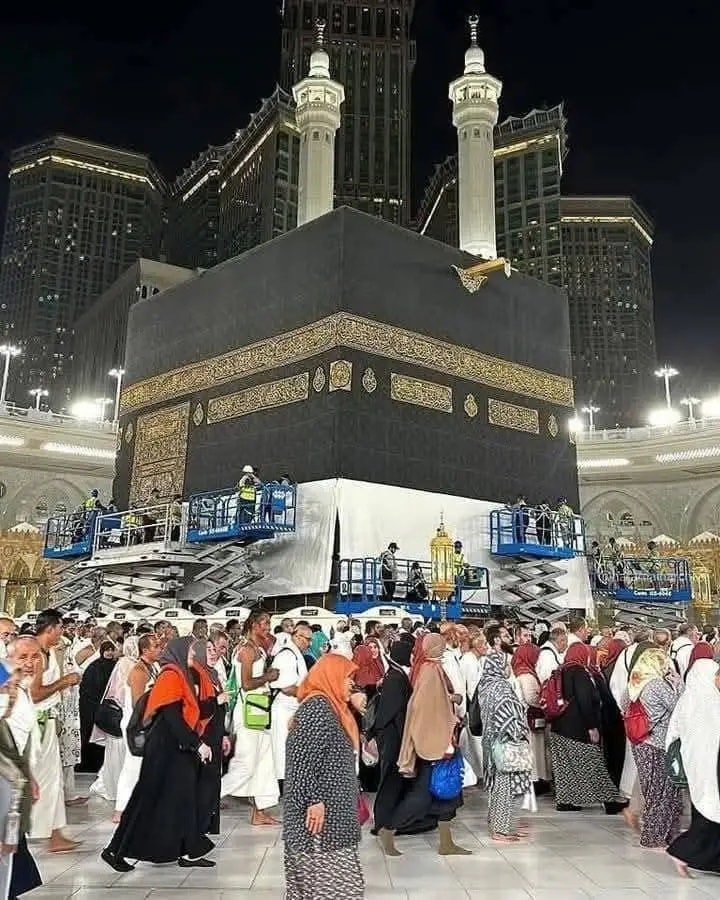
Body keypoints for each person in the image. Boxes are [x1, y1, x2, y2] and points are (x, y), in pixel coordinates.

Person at [101, 636, 216, 872]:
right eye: (190, 651)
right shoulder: (171, 676)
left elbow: (189, 712)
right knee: (147, 799)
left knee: (182, 799)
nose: (193, 655)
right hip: (165, 749)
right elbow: (172, 717)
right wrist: (197, 744)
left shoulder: (181, 675)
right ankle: (114, 850)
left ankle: (188, 850)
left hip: (176, 748)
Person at [377, 634, 467, 857]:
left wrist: (449, 701)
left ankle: (446, 843)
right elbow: (421, 706)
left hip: (440, 740)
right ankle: (389, 829)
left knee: (448, 793)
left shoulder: (431, 669)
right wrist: (449, 705)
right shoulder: (430, 671)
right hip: (434, 742)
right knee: (422, 795)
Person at [283, 654, 364, 900]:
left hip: (331, 820)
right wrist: (313, 800)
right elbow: (300, 760)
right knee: (329, 888)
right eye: (347, 677)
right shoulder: (317, 709)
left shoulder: (332, 707)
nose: (352, 683)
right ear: (331, 677)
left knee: (331, 889)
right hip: (319, 824)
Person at [549, 643, 625, 813]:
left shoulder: (561, 670)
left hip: (559, 726)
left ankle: (565, 801)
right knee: (594, 764)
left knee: (564, 767)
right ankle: (610, 801)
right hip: (577, 728)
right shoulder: (580, 672)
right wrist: (592, 727)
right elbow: (584, 701)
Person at [221, 611, 280, 826]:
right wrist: (268, 676)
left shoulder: (258, 648)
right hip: (248, 713)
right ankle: (207, 798)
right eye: (265, 623)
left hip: (258, 711)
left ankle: (260, 811)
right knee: (245, 764)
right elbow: (246, 684)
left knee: (264, 763)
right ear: (254, 625)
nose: (268, 627)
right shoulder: (247, 649)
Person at [666, 658, 720, 877]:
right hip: (709, 767)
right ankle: (681, 851)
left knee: (708, 812)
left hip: (698, 767)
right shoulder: (709, 701)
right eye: (716, 675)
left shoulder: (687, 699)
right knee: (710, 813)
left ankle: (710, 861)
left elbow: (673, 734)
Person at [626, 646, 683, 849]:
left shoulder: (635, 683)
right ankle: (653, 836)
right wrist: (678, 683)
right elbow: (678, 706)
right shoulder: (657, 685)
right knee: (663, 792)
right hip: (658, 743)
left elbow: (624, 705)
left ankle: (664, 833)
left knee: (652, 790)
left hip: (641, 742)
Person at [479, 650, 533, 843]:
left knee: (498, 785)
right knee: (507, 786)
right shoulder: (501, 687)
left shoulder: (485, 685)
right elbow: (508, 717)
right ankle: (501, 830)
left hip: (491, 744)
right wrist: (521, 732)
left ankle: (500, 825)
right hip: (507, 743)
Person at [372, 641, 413, 835]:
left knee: (392, 778)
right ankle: (382, 822)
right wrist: (406, 737)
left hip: (390, 735)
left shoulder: (393, 674)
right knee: (389, 778)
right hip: (392, 736)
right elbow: (396, 712)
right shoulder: (396, 678)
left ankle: (387, 820)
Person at [192, 639, 229, 836]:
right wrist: (217, 700)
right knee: (203, 781)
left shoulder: (212, 674)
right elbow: (195, 708)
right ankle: (199, 826)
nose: (213, 653)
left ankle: (208, 824)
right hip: (203, 736)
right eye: (208, 650)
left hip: (215, 734)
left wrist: (224, 735)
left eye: (214, 649)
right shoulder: (195, 675)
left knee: (213, 780)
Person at [511, 643, 550, 795]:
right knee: (535, 751)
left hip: (522, 718)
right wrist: (543, 701)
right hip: (530, 718)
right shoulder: (527, 676)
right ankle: (536, 780)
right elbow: (531, 698)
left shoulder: (517, 672)